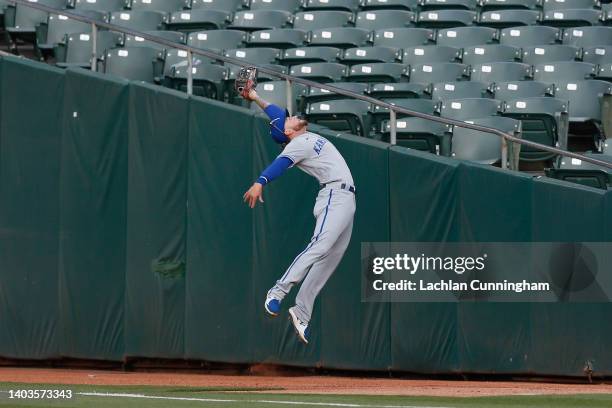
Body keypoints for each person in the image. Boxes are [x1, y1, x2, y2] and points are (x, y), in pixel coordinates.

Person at [242, 89, 356, 345]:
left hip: (347, 200)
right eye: (288, 121)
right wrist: (261, 182)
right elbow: (280, 164)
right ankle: (278, 290)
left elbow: (276, 114)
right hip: (333, 197)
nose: (290, 116)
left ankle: (302, 312)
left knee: (330, 258)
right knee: (320, 247)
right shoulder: (296, 145)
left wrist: (255, 96)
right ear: (288, 133)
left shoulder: (300, 135)